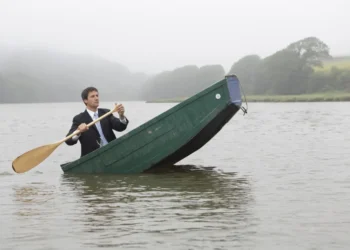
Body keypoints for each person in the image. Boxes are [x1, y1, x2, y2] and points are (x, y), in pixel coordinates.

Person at [65, 87, 129, 157]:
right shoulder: (79, 119)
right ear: (85, 100)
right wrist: (78, 131)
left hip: (112, 153)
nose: (96, 98)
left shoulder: (106, 112)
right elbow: (69, 141)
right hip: (93, 158)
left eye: (97, 95)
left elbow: (120, 127)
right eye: (92, 96)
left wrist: (121, 116)